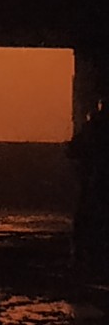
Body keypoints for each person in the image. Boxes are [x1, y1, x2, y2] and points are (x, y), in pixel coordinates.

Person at [69, 100, 109, 268]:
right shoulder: (96, 126)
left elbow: (74, 149)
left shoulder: (94, 125)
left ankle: (83, 254)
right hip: (97, 177)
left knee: (87, 214)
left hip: (95, 178)